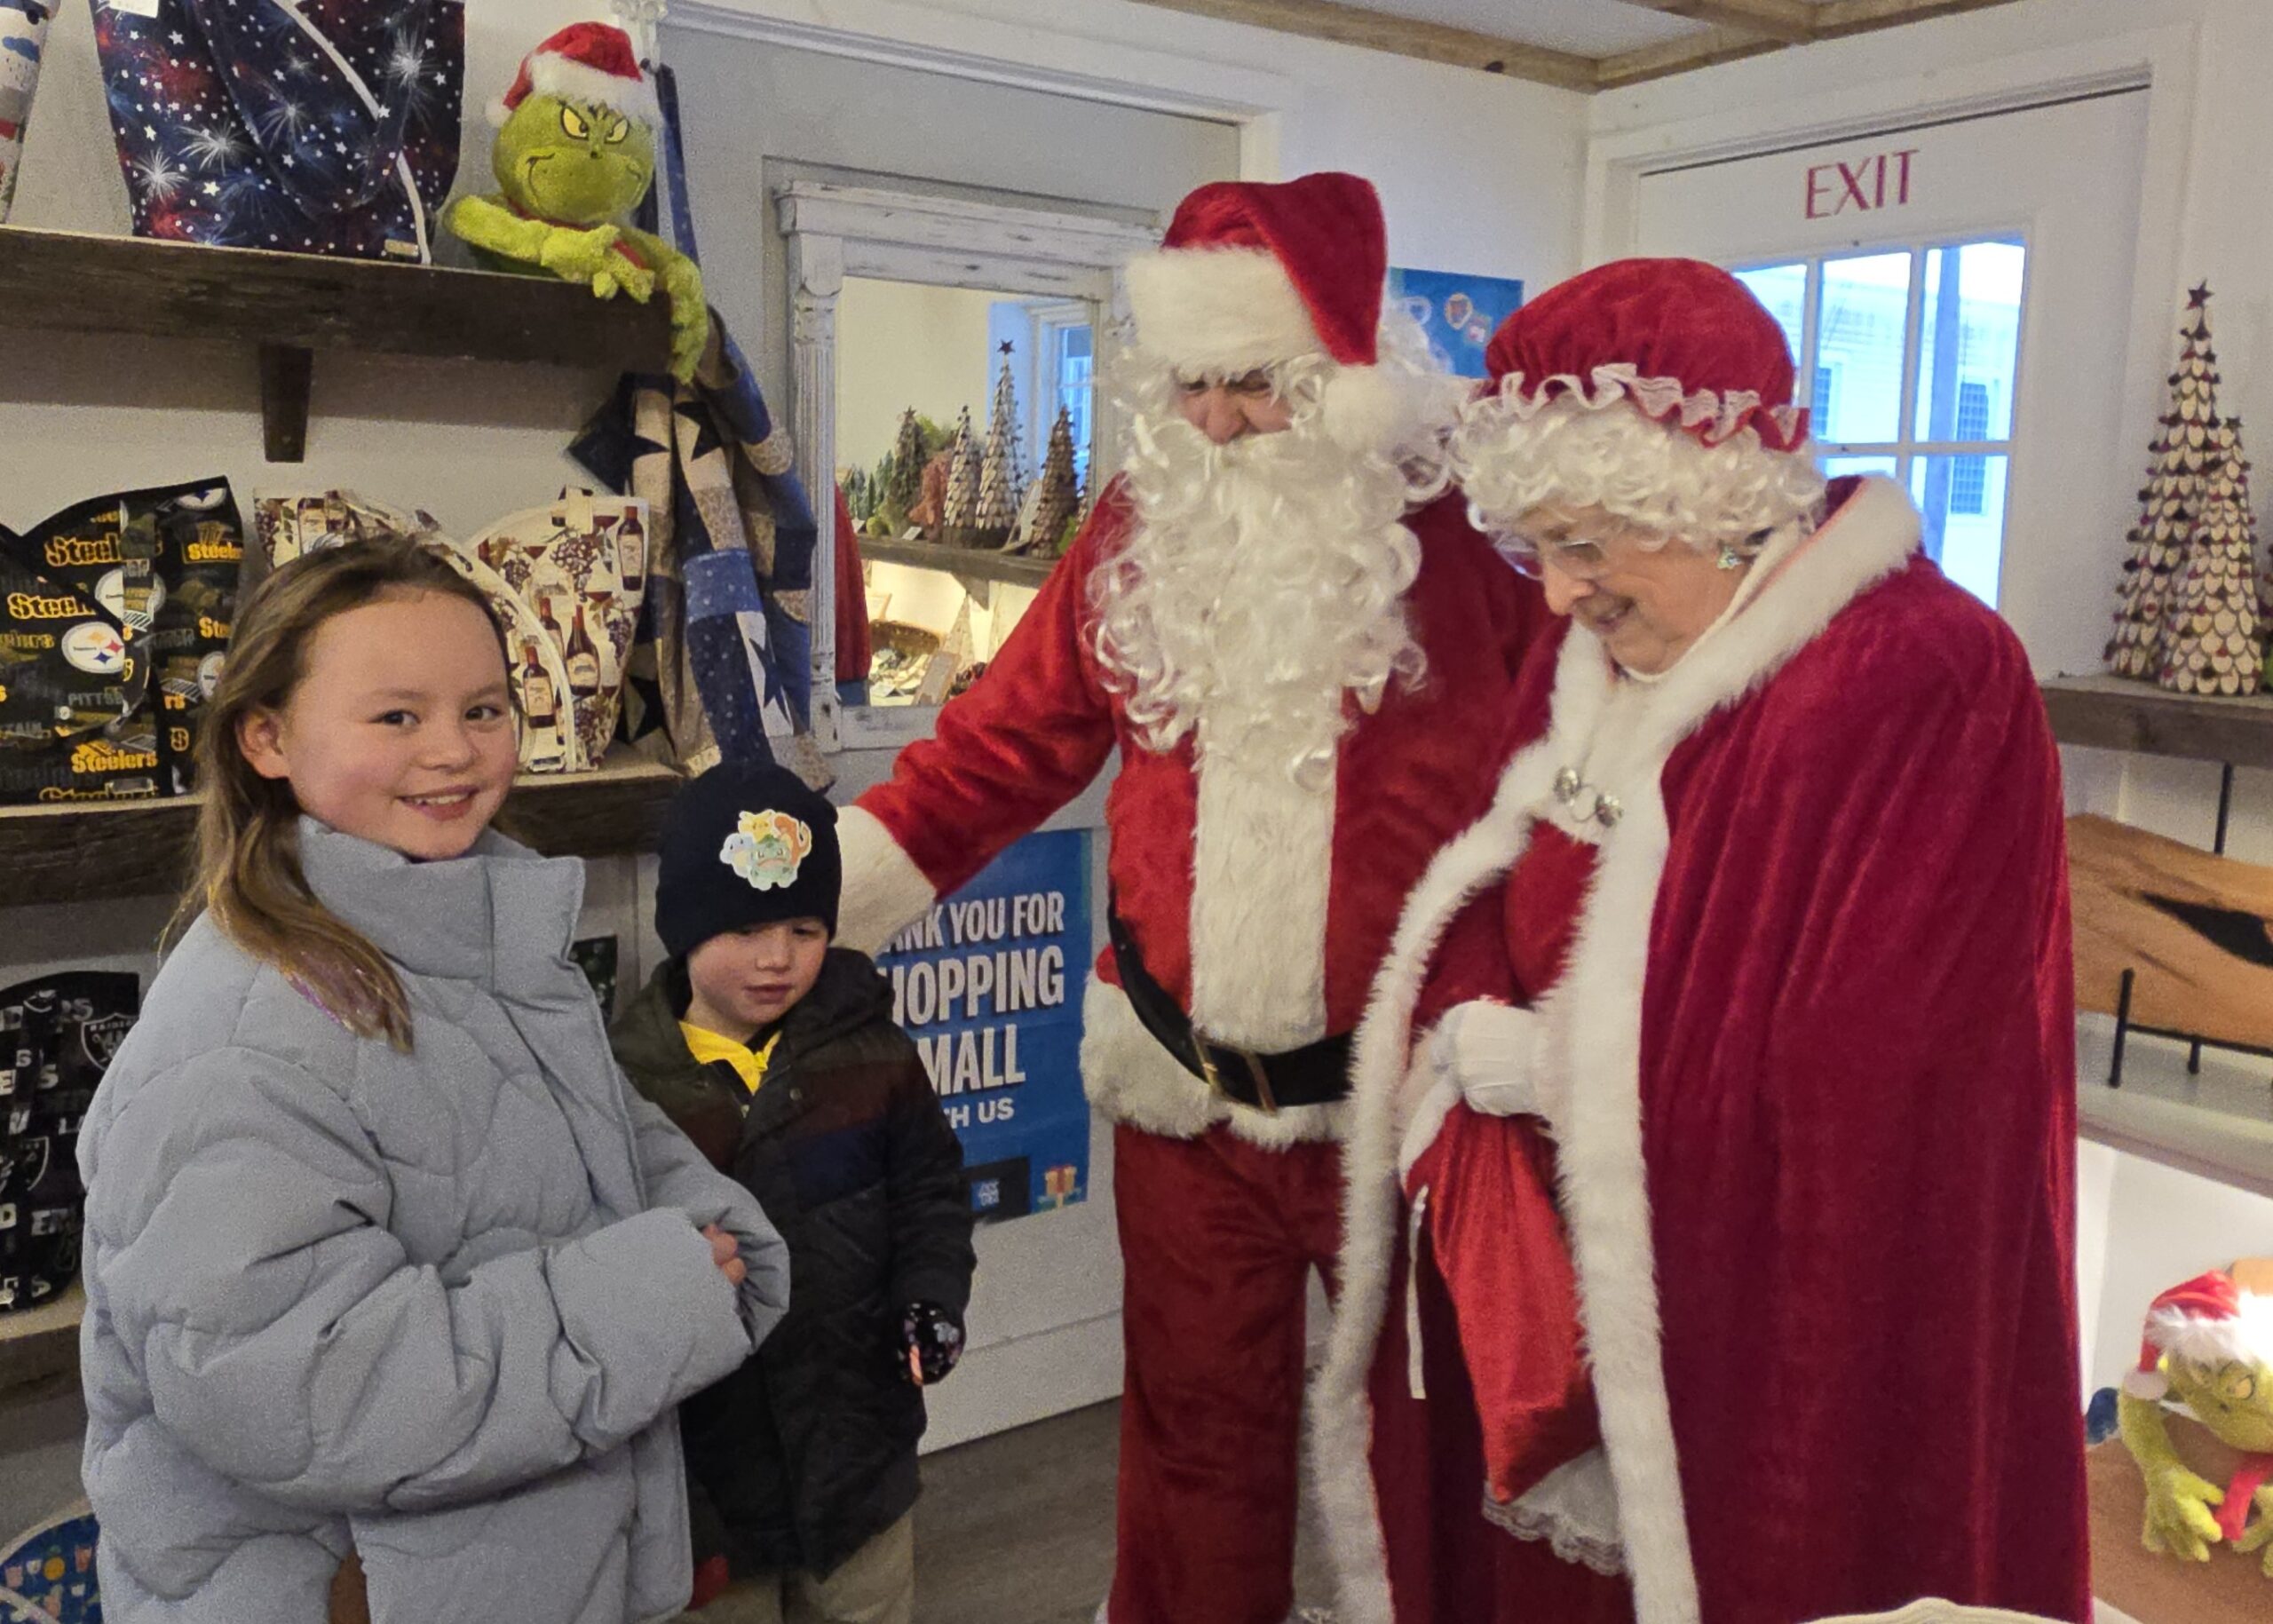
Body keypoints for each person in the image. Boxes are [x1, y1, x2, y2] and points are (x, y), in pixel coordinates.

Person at [1312, 258, 2089, 1624]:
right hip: (1547, 1321)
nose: (1558, 596)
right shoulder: (1601, 653)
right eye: (1537, 547)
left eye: (1585, 545)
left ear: (1710, 503)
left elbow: (1880, 1074)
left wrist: (1565, 1071)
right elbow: (1493, 875)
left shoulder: (1919, 676)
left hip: (1763, 1341)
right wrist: (1468, 1033)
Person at [831, 171, 1549, 1624]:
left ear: (1344, 379)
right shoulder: (1134, 536)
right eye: (1193, 385)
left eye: (1258, 384)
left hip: (1405, 1114)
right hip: (1183, 1100)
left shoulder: (1472, 559)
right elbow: (997, 749)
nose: (1216, 422)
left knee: (1435, 1456)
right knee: (1192, 1448)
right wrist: (812, 898)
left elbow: (1561, 812)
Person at [75, 538, 790, 1624]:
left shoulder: (468, 936)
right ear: (267, 737)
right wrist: (652, 1294)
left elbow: (602, 1139)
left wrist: (703, 1241)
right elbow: (302, 1388)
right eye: (396, 715)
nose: (454, 750)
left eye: (485, 709)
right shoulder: (242, 1037)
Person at [612, 761, 976, 1624]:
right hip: (708, 1488)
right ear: (685, 925)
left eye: (804, 928)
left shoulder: (874, 1051)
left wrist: (931, 1296)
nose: (777, 957)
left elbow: (931, 1192)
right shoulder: (625, 1082)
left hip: (861, 1458)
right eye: (745, 927)